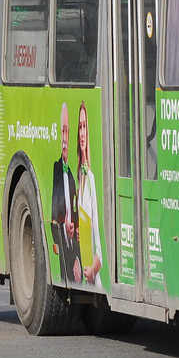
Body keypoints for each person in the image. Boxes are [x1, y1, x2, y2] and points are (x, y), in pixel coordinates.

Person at [50, 103, 80, 285]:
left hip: (74, 249)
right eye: (62, 131)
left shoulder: (73, 175)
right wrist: (63, 227)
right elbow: (54, 210)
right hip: (62, 244)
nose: (64, 137)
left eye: (67, 131)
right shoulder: (56, 168)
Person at [74, 102, 103, 287]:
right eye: (80, 127)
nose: (82, 133)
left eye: (85, 127)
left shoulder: (91, 179)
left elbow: (99, 239)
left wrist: (92, 271)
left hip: (92, 276)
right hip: (81, 270)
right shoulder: (78, 176)